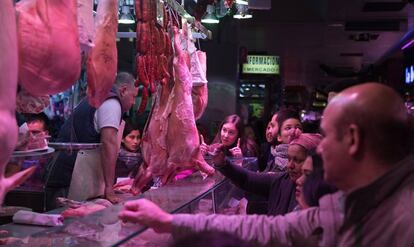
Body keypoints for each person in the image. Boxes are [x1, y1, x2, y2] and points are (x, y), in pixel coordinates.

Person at [45, 72, 138, 209]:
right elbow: (109, 144)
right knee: (64, 225)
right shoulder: (111, 103)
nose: (134, 102)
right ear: (123, 90)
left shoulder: (100, 98)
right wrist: (109, 188)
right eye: (134, 96)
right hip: (69, 180)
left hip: (72, 177)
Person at [263, 109, 302, 173]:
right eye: (288, 128)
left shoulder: (302, 159)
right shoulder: (274, 153)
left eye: (272, 126)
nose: (294, 131)